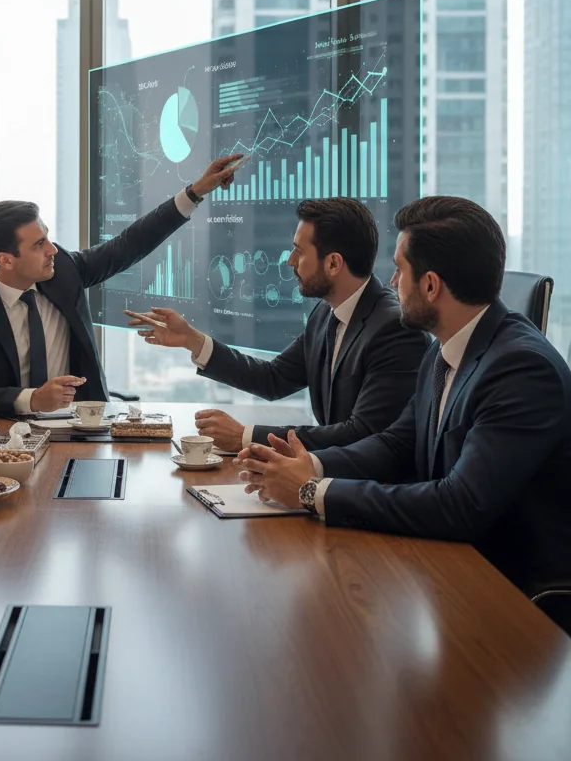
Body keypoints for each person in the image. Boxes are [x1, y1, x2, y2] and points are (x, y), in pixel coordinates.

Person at [236, 196, 571, 595]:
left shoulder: (522, 370)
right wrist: (311, 466)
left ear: (431, 285)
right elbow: (397, 443)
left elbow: (460, 505)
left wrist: (312, 492)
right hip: (446, 562)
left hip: (508, 592)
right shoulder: (445, 349)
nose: (392, 283)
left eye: (399, 271)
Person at [0, 156, 244, 418]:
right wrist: (31, 399)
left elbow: (130, 244)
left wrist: (195, 192)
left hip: (83, 425)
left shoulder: (64, 271)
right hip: (7, 435)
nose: (53, 250)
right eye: (39, 244)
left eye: (48, 237)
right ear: (6, 260)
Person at [128, 198, 430, 453]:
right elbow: (274, 379)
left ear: (334, 264)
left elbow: (362, 434)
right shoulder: (326, 315)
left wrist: (246, 436)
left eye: (299, 251)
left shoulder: (394, 329)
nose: (290, 261)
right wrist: (192, 340)